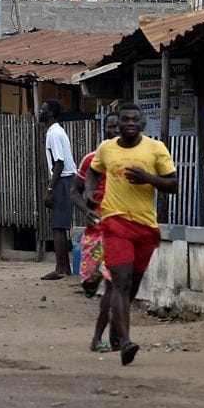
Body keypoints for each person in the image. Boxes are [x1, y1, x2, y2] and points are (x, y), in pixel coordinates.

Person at [84, 103, 177, 366]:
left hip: (145, 227)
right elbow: (93, 170)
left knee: (132, 284)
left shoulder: (155, 149)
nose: (130, 123)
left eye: (135, 119)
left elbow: (173, 183)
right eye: (125, 119)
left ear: (142, 123)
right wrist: (90, 193)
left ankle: (116, 329)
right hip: (114, 222)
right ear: (119, 123)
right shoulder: (107, 148)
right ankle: (126, 342)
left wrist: (149, 178)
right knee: (120, 281)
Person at [71, 112, 119, 352]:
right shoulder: (91, 160)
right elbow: (74, 192)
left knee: (113, 286)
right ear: (105, 129)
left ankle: (102, 337)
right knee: (91, 281)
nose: (115, 131)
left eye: (119, 127)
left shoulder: (133, 162)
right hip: (95, 230)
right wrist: (87, 210)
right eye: (111, 127)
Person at [39, 99, 77, 280]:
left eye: (43, 109)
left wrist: (50, 188)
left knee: (57, 227)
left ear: (51, 113)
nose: (40, 112)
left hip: (63, 181)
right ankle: (65, 268)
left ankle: (60, 269)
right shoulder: (57, 131)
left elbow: (59, 163)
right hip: (67, 181)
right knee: (60, 227)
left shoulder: (54, 134)